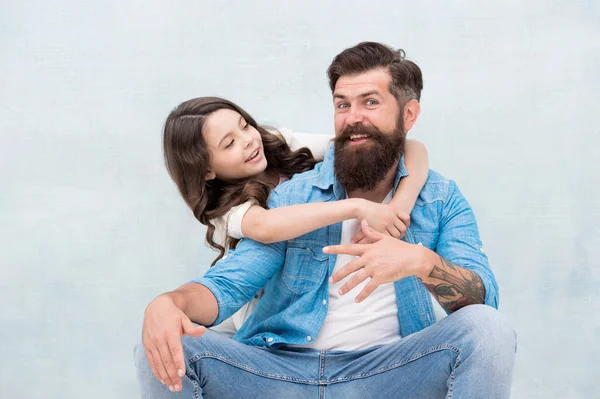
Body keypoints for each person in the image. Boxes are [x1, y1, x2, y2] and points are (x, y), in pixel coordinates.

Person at [135, 42, 516, 398]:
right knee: (167, 341)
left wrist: (419, 261)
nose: (354, 118)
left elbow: (483, 302)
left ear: (409, 114)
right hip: (280, 373)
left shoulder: (440, 199)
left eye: (370, 102)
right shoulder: (292, 197)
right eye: (342, 104)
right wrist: (169, 303)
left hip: (388, 373)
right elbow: (230, 284)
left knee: (489, 330)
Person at [162, 97, 430, 336]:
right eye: (229, 144)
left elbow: (411, 148)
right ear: (207, 171)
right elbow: (266, 226)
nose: (247, 140)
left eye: (244, 126)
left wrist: (397, 209)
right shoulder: (223, 208)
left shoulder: (277, 143)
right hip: (264, 306)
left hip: (313, 279)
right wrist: (357, 207)